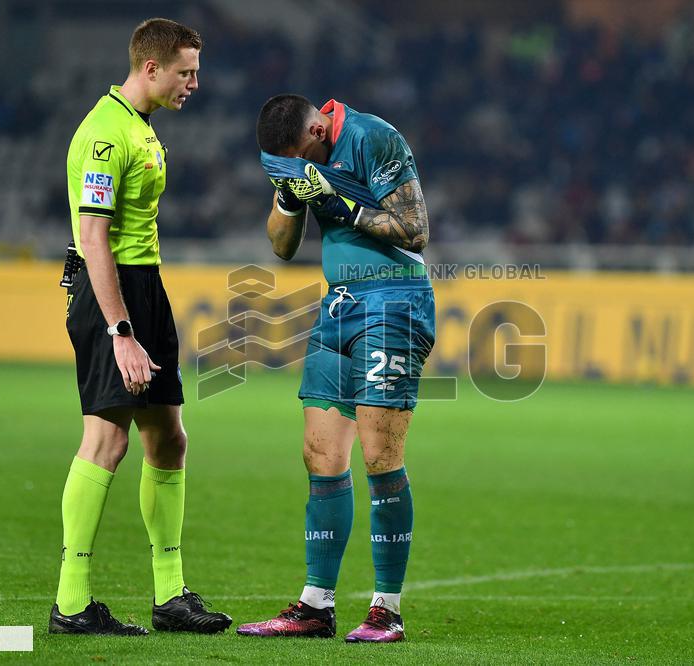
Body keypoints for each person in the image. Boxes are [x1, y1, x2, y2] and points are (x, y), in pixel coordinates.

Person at [51, 18, 231, 636]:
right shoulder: (105, 135)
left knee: (169, 441)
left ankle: (170, 596)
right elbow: (93, 239)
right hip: (115, 297)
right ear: (150, 68)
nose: (194, 83)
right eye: (186, 72)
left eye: (197, 72)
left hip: (144, 289)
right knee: (107, 442)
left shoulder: (141, 129)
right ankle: (71, 602)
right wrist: (120, 330)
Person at [236, 95, 434, 643]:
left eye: (304, 158)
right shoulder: (300, 160)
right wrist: (289, 193)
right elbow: (280, 246)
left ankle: (386, 609)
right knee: (321, 454)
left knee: (379, 454)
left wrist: (341, 204)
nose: (305, 167)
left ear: (320, 130)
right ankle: (316, 606)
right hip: (339, 305)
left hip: (394, 302)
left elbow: (415, 229)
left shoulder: (374, 138)